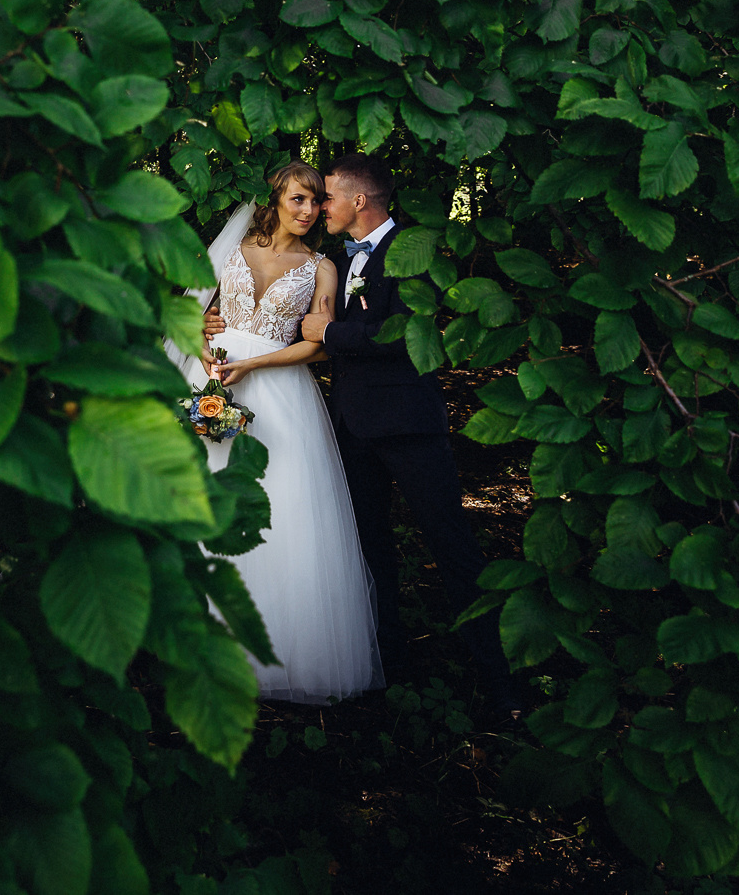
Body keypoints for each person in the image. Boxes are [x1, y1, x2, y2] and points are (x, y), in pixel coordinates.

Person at [277, 152, 521, 717]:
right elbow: (299, 324)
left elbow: (408, 334)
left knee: (453, 547)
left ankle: (502, 682)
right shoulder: (338, 260)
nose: (320, 207)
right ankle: (386, 667)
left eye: (328, 197)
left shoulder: (413, 253)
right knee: (368, 550)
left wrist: (333, 334)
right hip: (352, 427)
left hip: (409, 425)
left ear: (359, 200)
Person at [170, 160, 384, 704]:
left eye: (317, 201)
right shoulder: (232, 249)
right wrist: (204, 348)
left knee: (281, 505)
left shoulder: (322, 268)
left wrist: (254, 365)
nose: (309, 211)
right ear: (275, 200)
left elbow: (317, 343)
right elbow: (190, 314)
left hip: (279, 390)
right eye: (298, 200)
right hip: (213, 379)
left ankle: (274, 649)